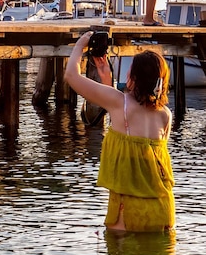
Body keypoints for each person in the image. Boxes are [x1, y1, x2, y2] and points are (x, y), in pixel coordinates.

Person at [65, 31, 175, 232]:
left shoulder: (118, 103)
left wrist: (81, 44)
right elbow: (145, 159)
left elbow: (71, 76)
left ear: (133, 76)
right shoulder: (165, 115)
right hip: (162, 210)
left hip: (127, 212)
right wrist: (108, 81)